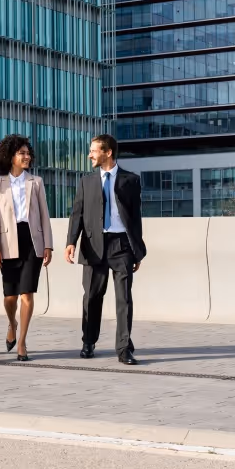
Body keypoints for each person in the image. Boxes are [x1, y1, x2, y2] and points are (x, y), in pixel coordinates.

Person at [64, 134, 147, 365]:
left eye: (93, 151)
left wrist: (137, 249)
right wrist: (71, 241)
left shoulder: (131, 180)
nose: (90, 154)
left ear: (107, 152)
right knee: (91, 297)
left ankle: (124, 348)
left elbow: (135, 217)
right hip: (93, 245)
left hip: (121, 245)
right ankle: (88, 342)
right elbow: (77, 213)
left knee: (124, 300)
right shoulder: (86, 181)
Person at [0, 135, 53, 362]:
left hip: (32, 241)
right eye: (21, 153)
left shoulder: (36, 181)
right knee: (10, 297)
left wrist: (48, 245)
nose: (26, 157)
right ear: (10, 157)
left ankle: (22, 342)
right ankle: (12, 323)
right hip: (7, 244)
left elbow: (44, 214)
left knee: (27, 293)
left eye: (28, 153)